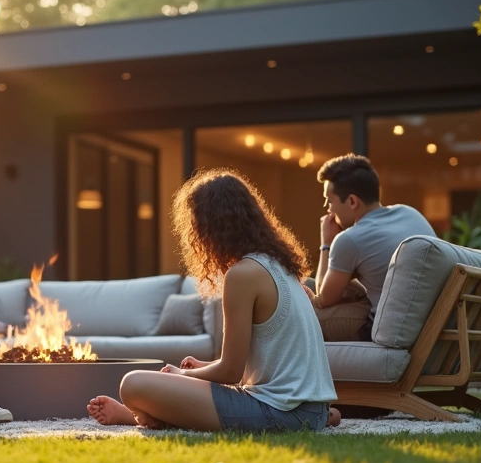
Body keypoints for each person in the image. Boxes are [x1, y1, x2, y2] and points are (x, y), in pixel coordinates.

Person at [88, 168, 340, 432]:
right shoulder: (280, 265)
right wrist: (203, 367)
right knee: (168, 384)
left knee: (133, 383)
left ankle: (142, 417)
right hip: (312, 408)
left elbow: (230, 373)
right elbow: (253, 365)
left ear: (209, 227)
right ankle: (149, 416)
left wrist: (182, 374)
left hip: (280, 412)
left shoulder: (243, 274)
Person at [307, 154, 436, 341]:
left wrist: (326, 243)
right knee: (307, 284)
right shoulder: (410, 213)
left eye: (330, 200)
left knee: (299, 317)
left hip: (385, 328)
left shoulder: (350, 239)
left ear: (352, 201)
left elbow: (323, 300)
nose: (328, 208)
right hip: (425, 320)